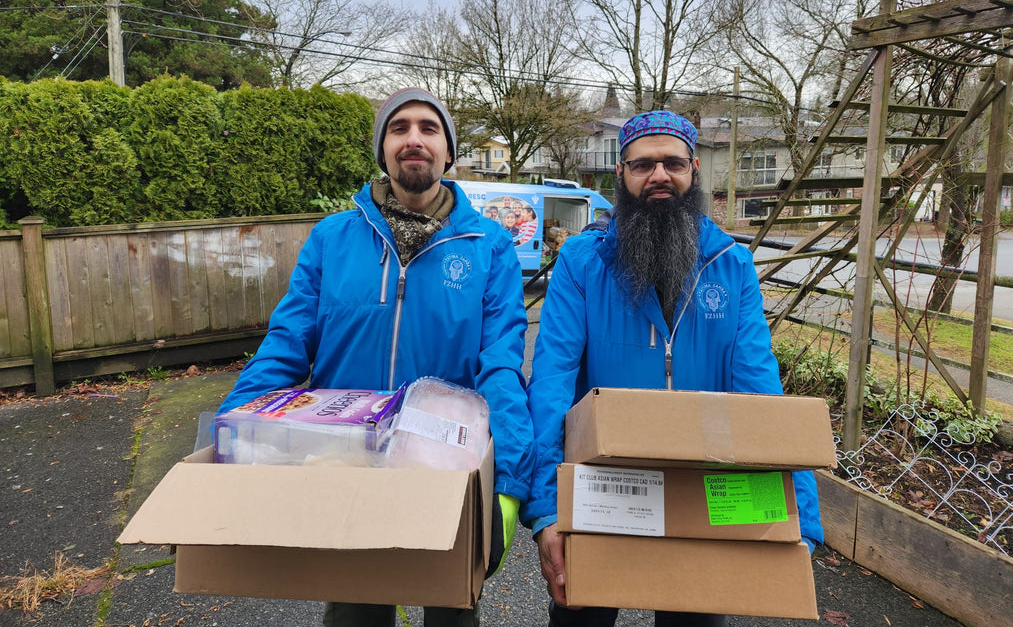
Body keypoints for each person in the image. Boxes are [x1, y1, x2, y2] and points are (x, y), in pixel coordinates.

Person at [217, 87, 535, 627]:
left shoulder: (488, 246)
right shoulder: (332, 239)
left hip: (447, 470)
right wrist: (232, 431)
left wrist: (509, 480)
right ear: (382, 149)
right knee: (355, 613)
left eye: (429, 128)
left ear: (449, 151)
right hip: (346, 463)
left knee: (452, 613)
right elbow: (287, 345)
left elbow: (501, 362)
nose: (414, 139)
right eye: (399, 127)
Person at [522, 111, 824, 627]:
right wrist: (547, 512)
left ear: (694, 172)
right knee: (581, 616)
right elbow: (551, 384)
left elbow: (758, 390)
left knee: (696, 619)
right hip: (604, 485)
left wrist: (800, 518)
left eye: (673, 163)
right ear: (620, 175)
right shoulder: (581, 262)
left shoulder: (731, 265)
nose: (659, 175)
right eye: (642, 165)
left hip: (704, 488)